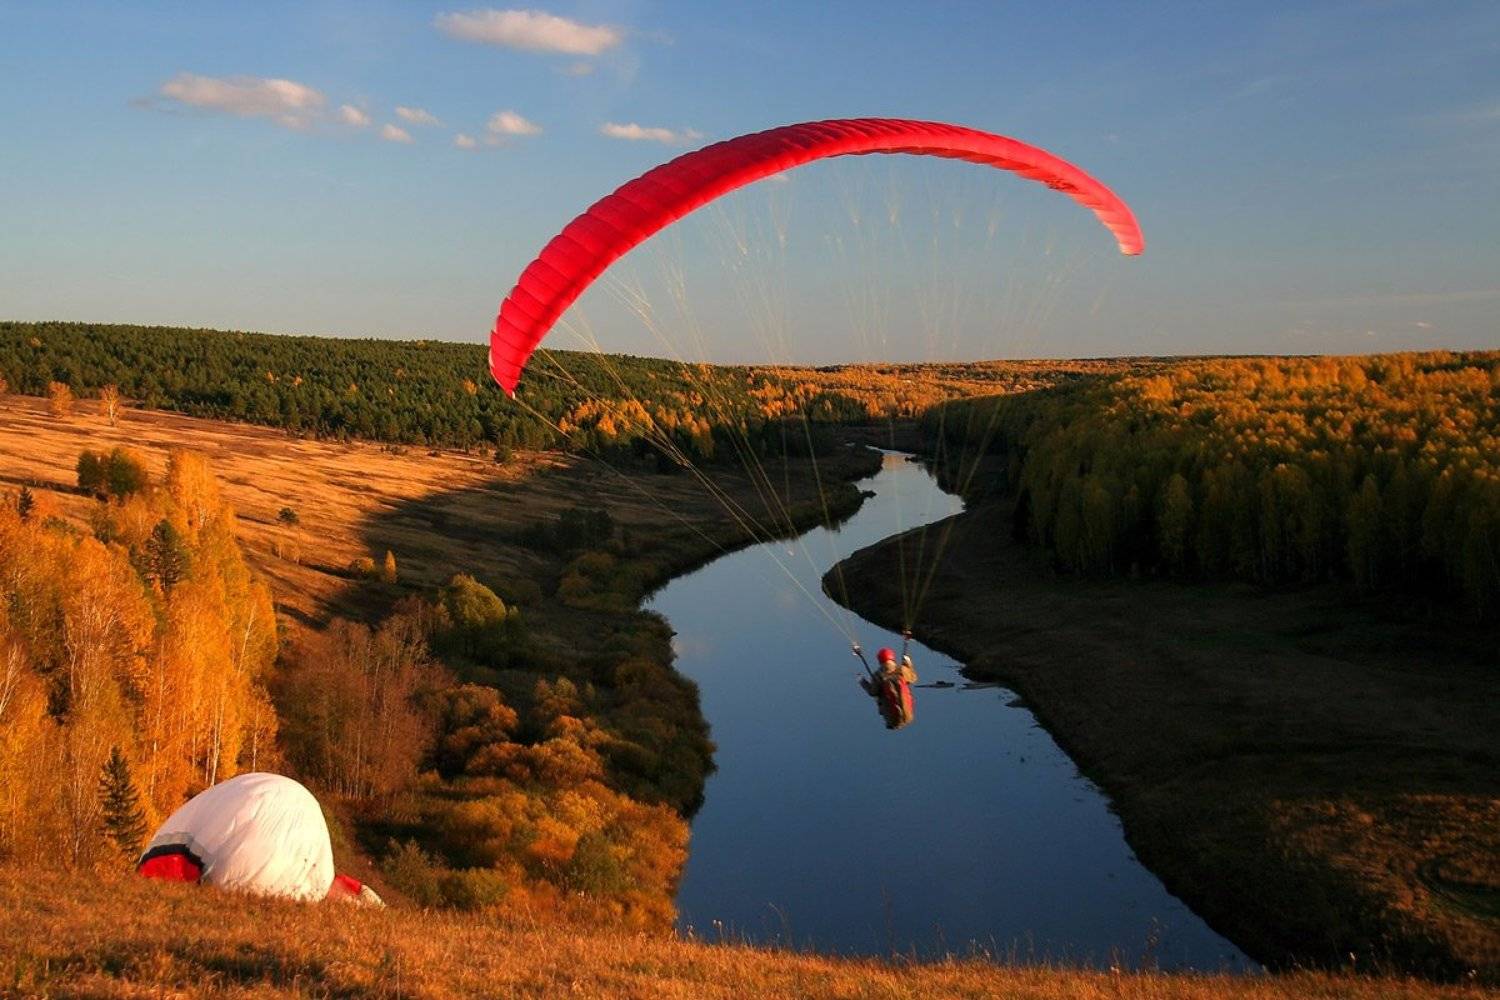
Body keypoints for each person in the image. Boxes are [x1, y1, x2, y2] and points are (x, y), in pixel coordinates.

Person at [860, 645, 917, 729]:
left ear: (880, 661)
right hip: (908, 716)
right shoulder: (901, 670)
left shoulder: (878, 676)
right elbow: (913, 678)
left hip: (892, 719)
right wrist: (908, 663)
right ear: (893, 658)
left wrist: (862, 682)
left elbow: (873, 692)